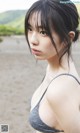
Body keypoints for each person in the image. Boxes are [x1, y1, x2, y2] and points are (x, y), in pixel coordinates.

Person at [25, 0, 80, 132]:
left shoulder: (60, 88)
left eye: (43, 32)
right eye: (30, 29)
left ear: (68, 38)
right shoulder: (53, 68)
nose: (33, 40)